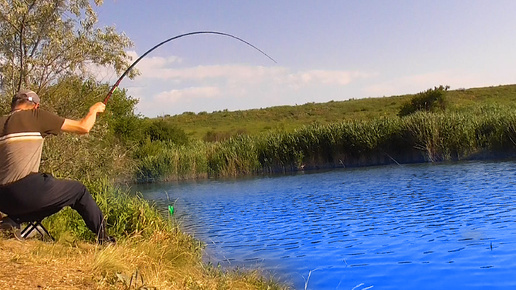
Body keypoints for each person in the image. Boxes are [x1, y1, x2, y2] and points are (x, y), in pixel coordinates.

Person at [0, 89, 113, 243]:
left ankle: (13, 221)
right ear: (35, 106)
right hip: (27, 191)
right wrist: (93, 110)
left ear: (13, 105)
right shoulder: (36, 116)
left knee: (55, 193)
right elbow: (83, 127)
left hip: (3, 199)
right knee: (78, 192)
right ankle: (104, 239)